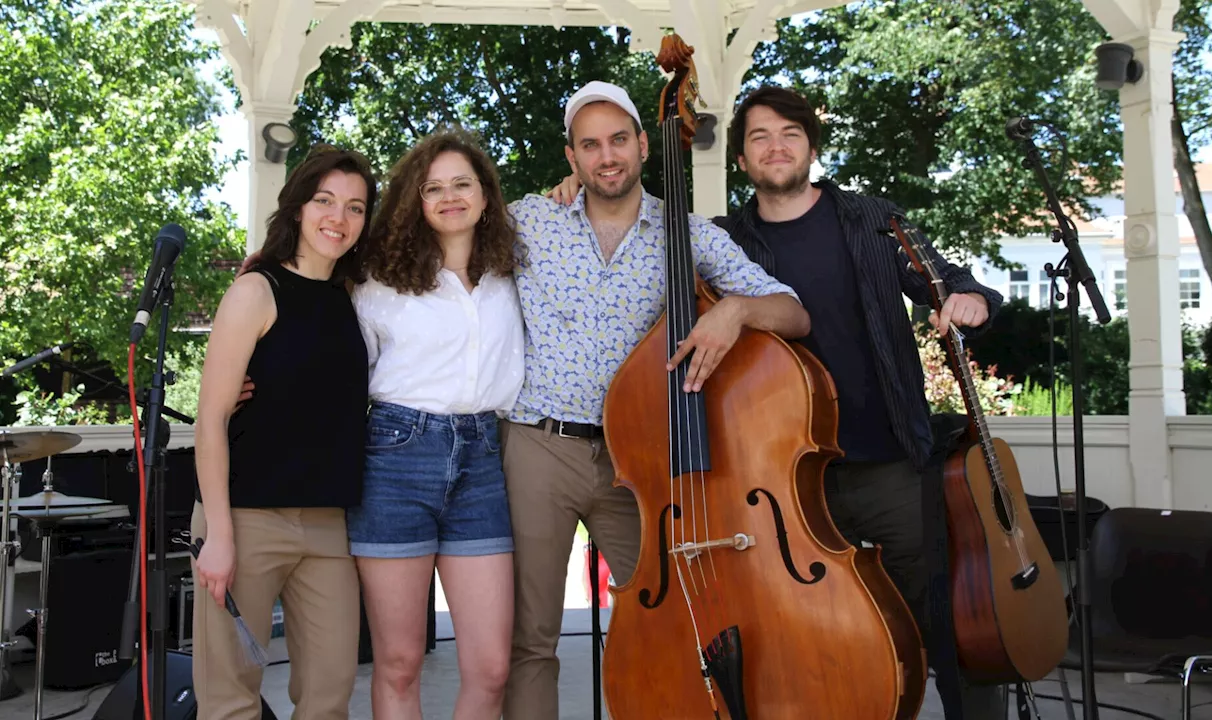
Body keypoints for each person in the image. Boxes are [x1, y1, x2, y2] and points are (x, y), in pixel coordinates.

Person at [547, 85, 1008, 718]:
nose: (776, 147)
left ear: (812, 147)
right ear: (740, 159)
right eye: (759, 137)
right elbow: (642, 275)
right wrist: (574, 189)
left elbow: (951, 282)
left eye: (789, 134)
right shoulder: (720, 239)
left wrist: (970, 301)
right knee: (814, 641)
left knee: (945, 623)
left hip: (889, 461)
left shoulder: (876, 219)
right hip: (777, 486)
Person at [499, 80, 811, 720]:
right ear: (572, 157)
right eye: (590, 145)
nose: (606, 156)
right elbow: (432, 249)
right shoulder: (529, 219)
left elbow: (795, 312)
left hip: (637, 459)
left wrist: (736, 312)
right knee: (530, 637)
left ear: (644, 144)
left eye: (618, 140)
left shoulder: (687, 233)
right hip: (537, 446)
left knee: (674, 618)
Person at [191, 144, 375, 720]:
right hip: (245, 519)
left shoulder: (355, 297)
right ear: (297, 207)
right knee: (231, 698)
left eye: (355, 207)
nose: (337, 219)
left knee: (330, 694)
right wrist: (219, 537)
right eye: (324, 201)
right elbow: (210, 420)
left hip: (327, 526)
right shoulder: (255, 291)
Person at [346, 129, 522, 720]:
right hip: (396, 458)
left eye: (462, 185)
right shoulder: (376, 280)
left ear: (486, 195)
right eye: (433, 188)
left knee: (492, 669)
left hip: (482, 460)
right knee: (399, 663)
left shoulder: (514, 272)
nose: (450, 197)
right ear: (415, 201)